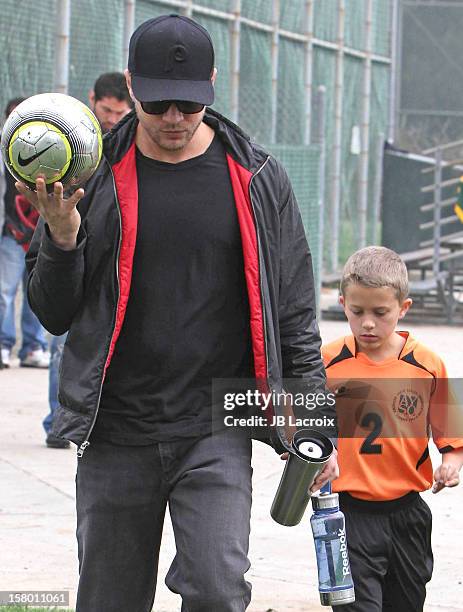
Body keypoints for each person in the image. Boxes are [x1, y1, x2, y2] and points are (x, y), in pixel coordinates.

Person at [21, 15, 337, 612]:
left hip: (218, 422)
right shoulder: (90, 180)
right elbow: (52, 315)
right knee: (109, 600)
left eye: (188, 104)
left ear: (212, 85)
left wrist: (316, 426)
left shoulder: (259, 178)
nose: (173, 118)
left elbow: (295, 312)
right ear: (133, 89)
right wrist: (63, 241)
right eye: (159, 103)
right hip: (114, 426)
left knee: (219, 591)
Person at [322, 246, 463, 612]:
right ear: (342, 304)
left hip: (407, 514)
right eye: (357, 311)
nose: (368, 322)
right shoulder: (327, 362)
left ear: (403, 308)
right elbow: (307, 425)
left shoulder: (428, 364)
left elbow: (451, 431)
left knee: (406, 603)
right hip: (347, 513)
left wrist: (451, 460)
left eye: (380, 313)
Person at [44, 73, 132, 449]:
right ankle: (59, 420)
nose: (111, 118)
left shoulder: (127, 149)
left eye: (119, 111)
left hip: (104, 266)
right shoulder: (73, 140)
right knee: (60, 343)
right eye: (106, 109)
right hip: (65, 249)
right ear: (92, 99)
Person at [0, 97, 49, 369]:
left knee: (36, 292)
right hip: (10, 234)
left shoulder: (44, 149)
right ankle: (3, 344)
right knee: (4, 292)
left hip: (37, 236)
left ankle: (32, 347)